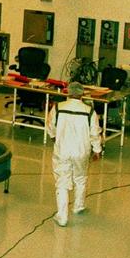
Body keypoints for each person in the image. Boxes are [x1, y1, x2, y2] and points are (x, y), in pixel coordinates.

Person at [46, 80, 102, 227]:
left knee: (62, 182)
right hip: (81, 151)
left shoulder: (58, 108)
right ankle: (78, 206)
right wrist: (97, 150)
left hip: (62, 151)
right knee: (80, 178)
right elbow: (95, 133)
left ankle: (62, 216)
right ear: (82, 94)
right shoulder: (90, 111)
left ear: (68, 92)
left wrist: (54, 137)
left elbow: (50, 125)